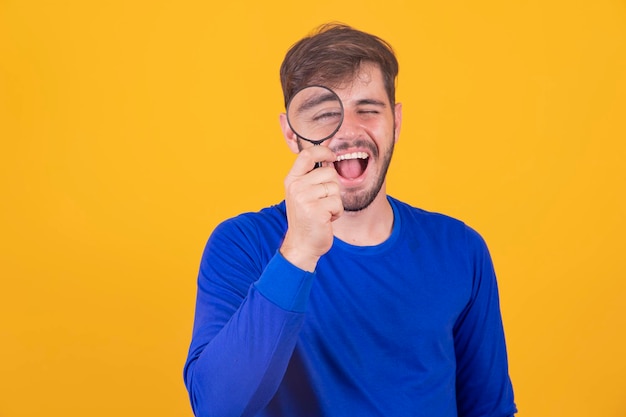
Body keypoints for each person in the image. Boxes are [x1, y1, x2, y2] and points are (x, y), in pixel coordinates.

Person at [183, 23, 517, 417]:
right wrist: (298, 252)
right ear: (292, 134)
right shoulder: (241, 244)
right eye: (324, 114)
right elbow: (216, 408)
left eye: (368, 110)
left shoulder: (461, 249)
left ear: (396, 121)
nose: (347, 132)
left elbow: (489, 409)